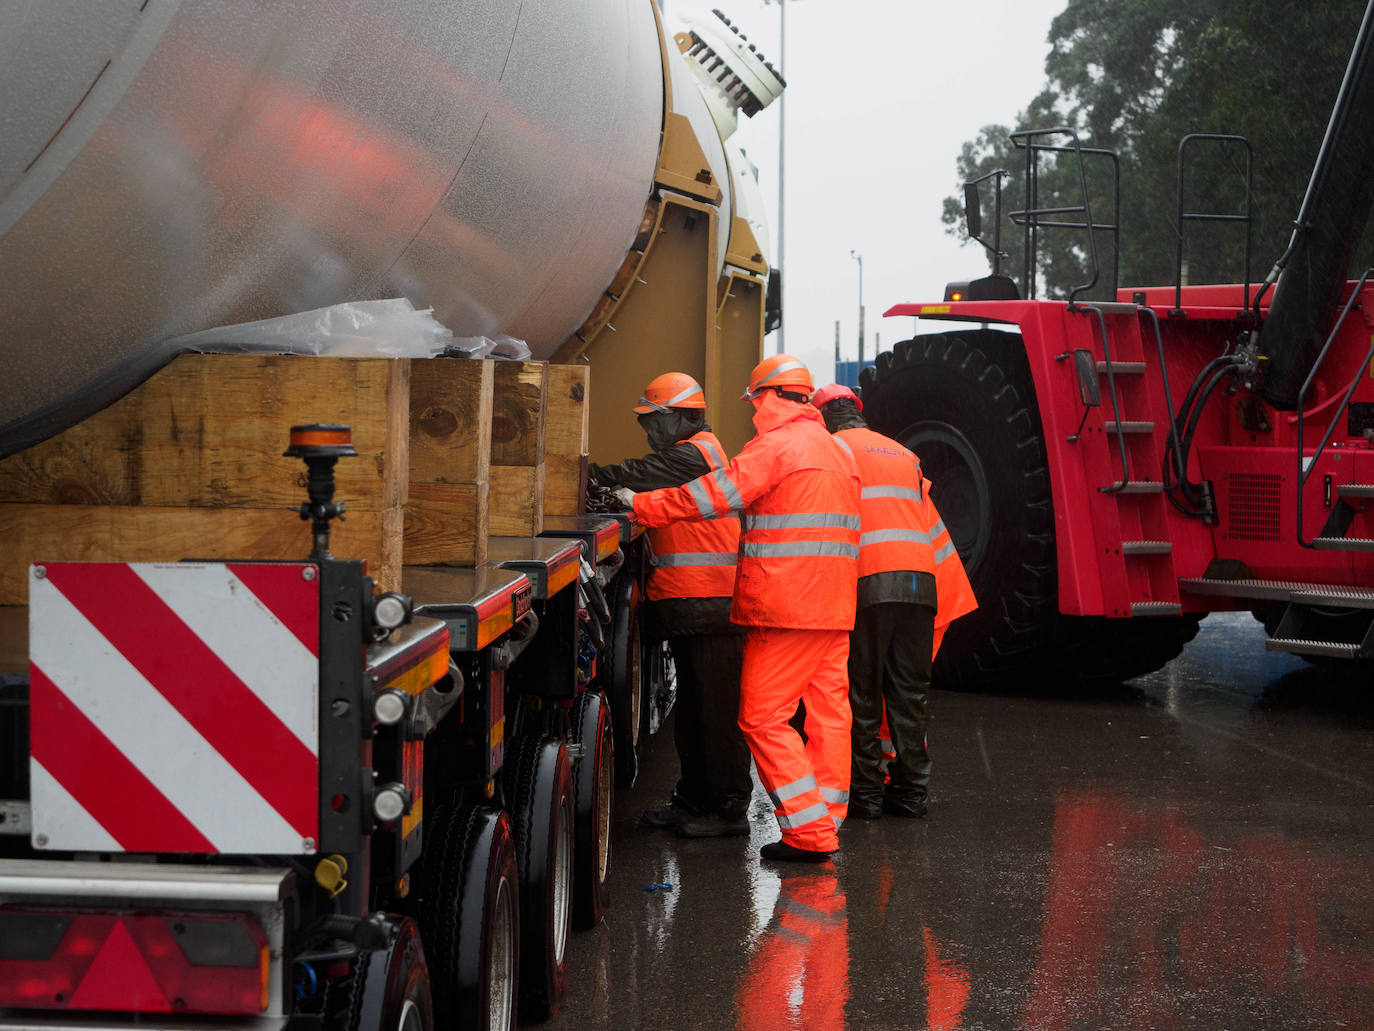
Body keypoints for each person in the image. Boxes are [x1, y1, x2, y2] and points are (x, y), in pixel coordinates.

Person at [616, 356, 861, 863]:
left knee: (760, 717)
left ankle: (810, 832)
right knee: (829, 713)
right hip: (834, 607)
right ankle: (826, 816)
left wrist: (638, 506)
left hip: (787, 606)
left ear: (765, 397)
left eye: (755, 401)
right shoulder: (837, 451)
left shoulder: (776, 446)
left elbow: (711, 498)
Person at [588, 373, 752, 838]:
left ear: (681, 417)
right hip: (694, 601)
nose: (648, 431)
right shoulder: (696, 451)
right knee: (696, 711)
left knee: (715, 713)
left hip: (710, 601)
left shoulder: (695, 453)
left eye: (652, 421)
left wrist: (589, 476)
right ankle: (693, 802)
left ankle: (726, 810)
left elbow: (636, 475)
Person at [810, 383, 976, 820]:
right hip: (921, 584)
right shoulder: (900, 453)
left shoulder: (832, 451)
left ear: (823, 417)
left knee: (861, 695)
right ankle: (911, 795)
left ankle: (865, 796)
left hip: (869, 582)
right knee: (909, 694)